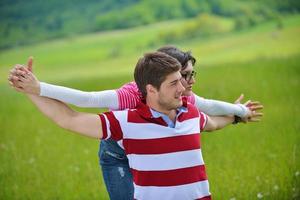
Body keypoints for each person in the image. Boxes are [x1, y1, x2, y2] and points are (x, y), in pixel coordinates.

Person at [8, 46, 263, 200]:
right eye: (178, 80)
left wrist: (239, 113)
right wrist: (34, 88)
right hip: (117, 151)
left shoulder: (188, 108)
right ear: (151, 89)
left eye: (185, 77)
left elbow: (213, 117)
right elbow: (75, 111)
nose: (186, 86)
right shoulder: (127, 113)